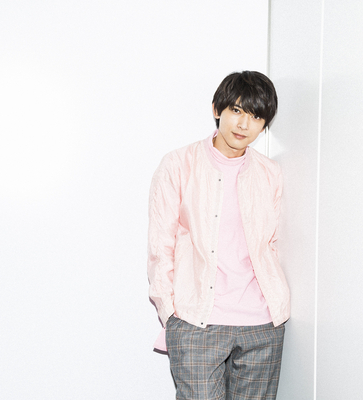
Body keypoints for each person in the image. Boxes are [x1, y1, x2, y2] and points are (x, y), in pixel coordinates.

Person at [147, 71, 290, 400]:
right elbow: (160, 246)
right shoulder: (178, 164)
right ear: (217, 109)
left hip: (262, 325)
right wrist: (171, 314)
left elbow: (272, 244)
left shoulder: (270, 173)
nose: (244, 124)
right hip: (197, 321)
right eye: (236, 110)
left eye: (256, 116)